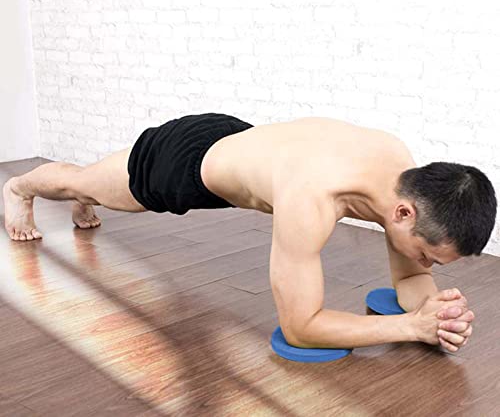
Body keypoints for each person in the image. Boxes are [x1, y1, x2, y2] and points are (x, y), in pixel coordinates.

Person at [3, 112, 496, 353]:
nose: (425, 266)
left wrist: (438, 315)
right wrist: (410, 327)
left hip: (240, 141)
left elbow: (410, 278)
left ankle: (86, 195)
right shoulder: (312, 199)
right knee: (84, 182)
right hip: (186, 164)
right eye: (429, 256)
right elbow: (301, 327)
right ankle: (19, 187)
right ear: (404, 213)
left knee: (94, 185)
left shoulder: (404, 174)